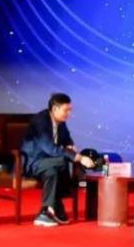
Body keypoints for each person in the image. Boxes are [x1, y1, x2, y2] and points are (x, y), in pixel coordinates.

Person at [19, 93, 97, 227]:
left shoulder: (61, 123)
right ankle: (57, 205)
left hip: (50, 163)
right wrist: (78, 157)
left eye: (70, 110)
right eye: (66, 110)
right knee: (62, 161)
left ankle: (46, 212)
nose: (69, 114)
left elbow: (67, 141)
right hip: (33, 162)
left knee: (53, 170)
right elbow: (49, 148)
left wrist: (71, 147)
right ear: (55, 109)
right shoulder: (40, 121)